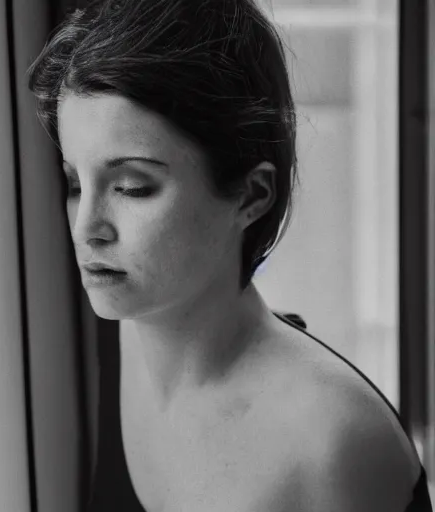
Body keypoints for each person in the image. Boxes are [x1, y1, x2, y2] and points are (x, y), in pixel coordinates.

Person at [27, 0, 433, 510]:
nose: (86, 228)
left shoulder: (334, 446)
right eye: (73, 182)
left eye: (131, 187)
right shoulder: (121, 327)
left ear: (251, 195)